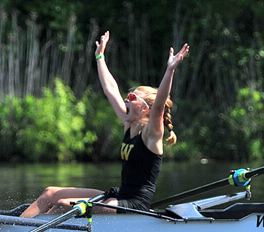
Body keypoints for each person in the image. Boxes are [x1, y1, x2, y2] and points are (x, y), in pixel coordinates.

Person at [20, 31, 189, 217]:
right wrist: (100, 57)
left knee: (63, 204)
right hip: (119, 195)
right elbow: (111, 90)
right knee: (50, 192)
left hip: (134, 204)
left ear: (144, 108)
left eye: (132, 97)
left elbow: (158, 107)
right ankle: (15, 226)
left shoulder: (152, 133)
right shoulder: (129, 123)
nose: (126, 98)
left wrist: (170, 70)